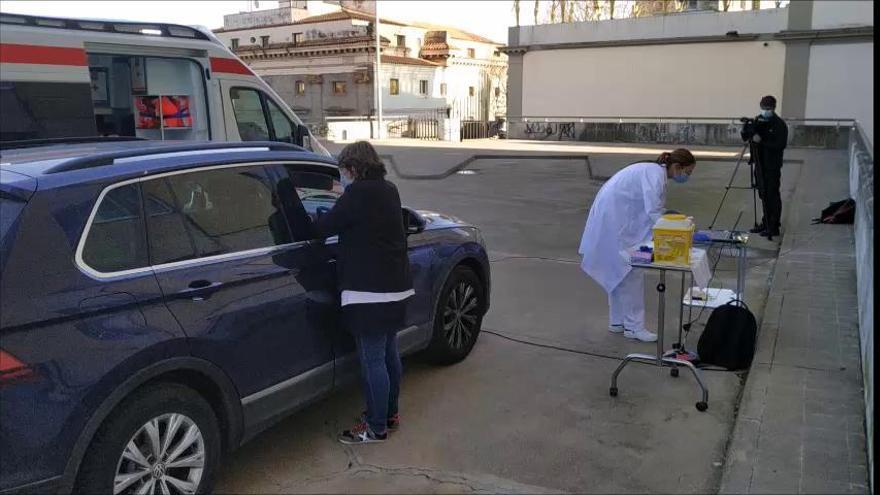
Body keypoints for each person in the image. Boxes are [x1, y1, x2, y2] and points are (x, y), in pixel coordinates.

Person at [316, 141, 413, 445]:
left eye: (343, 170)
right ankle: (389, 414)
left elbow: (323, 228)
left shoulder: (355, 194)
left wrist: (335, 201)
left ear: (354, 169)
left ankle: (375, 428)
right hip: (396, 288)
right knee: (388, 354)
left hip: (367, 293)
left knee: (372, 360)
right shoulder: (389, 190)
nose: (342, 175)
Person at [578, 148, 697, 343]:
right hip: (615, 222)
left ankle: (617, 322)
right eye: (687, 172)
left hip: (613, 220)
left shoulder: (652, 171)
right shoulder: (655, 174)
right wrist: (677, 224)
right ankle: (635, 327)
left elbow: (653, 208)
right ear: (676, 166)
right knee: (632, 272)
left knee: (617, 272)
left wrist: (669, 216)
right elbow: (654, 211)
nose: (686, 177)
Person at [743, 95, 788, 239]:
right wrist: (748, 130)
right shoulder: (759, 120)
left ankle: (773, 226)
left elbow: (780, 145)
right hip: (759, 163)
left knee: (772, 194)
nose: (765, 111)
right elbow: (746, 136)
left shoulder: (779, 125)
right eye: (763, 108)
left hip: (772, 166)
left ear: (774, 108)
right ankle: (765, 222)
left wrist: (761, 141)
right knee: (763, 193)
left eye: (768, 108)